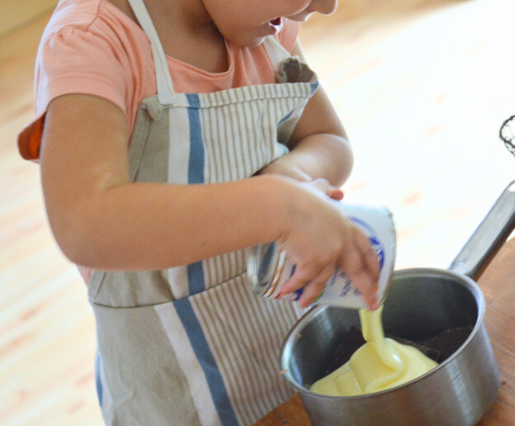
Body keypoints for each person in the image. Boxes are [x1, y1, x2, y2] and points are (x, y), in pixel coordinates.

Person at [17, 0, 381, 424]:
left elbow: (328, 137)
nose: (327, 6)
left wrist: (291, 176)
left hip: (297, 367)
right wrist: (278, 206)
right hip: (181, 397)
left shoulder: (266, 28)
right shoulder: (93, 42)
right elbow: (83, 222)